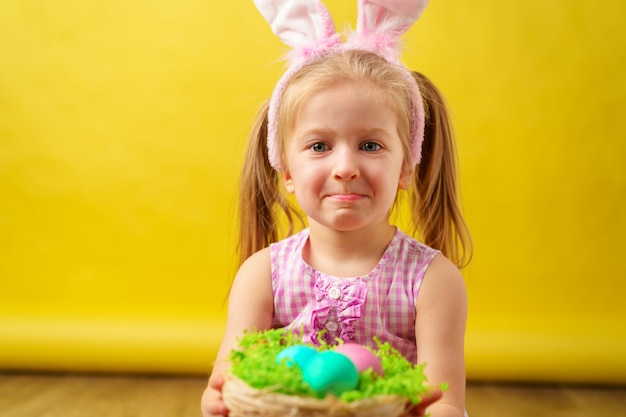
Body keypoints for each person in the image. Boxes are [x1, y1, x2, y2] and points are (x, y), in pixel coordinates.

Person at [201, 1, 472, 416]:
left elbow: (445, 402)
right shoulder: (264, 275)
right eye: (319, 146)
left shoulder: (432, 281)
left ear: (405, 165)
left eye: (370, 145)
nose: (345, 168)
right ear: (286, 170)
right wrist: (219, 402)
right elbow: (227, 383)